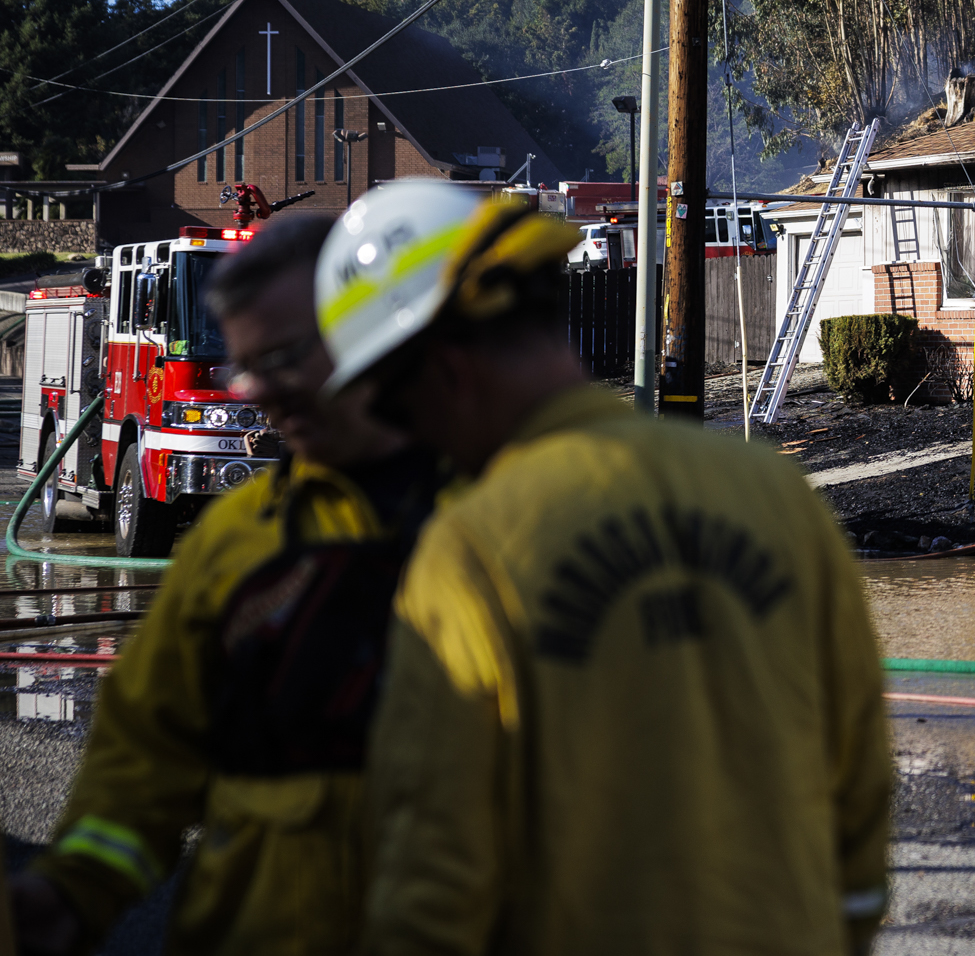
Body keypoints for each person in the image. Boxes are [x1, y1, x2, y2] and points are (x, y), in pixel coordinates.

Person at [312, 183, 891, 955]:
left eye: (390, 406)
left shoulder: (470, 553)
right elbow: (858, 779)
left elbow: (435, 877)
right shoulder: (775, 494)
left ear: (442, 368)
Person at [12, 214, 439, 956]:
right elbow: (148, 745)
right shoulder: (238, 535)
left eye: (279, 356)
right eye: (244, 361)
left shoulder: (490, 518)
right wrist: (74, 887)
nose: (248, 389)